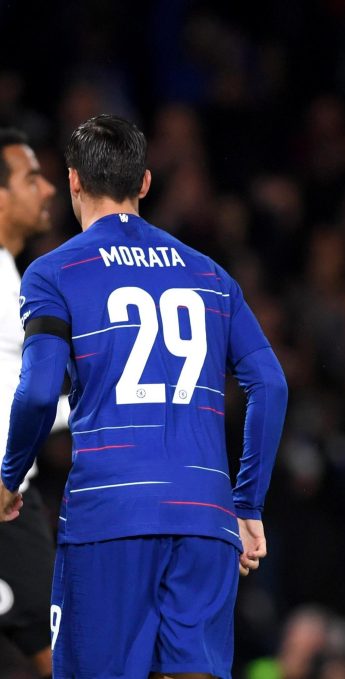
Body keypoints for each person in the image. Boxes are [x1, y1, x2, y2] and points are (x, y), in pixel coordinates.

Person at [0, 114, 289, 679]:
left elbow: (37, 394)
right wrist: (247, 504)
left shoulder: (53, 273)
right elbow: (270, 385)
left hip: (111, 513)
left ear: (75, 181)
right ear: (146, 183)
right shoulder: (209, 275)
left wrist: (10, 476)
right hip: (206, 514)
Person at [0, 128, 69, 679]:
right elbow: (31, 398)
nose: (47, 189)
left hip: (14, 503)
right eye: (30, 178)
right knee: (69, 662)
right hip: (6, 505)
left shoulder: (12, 274)